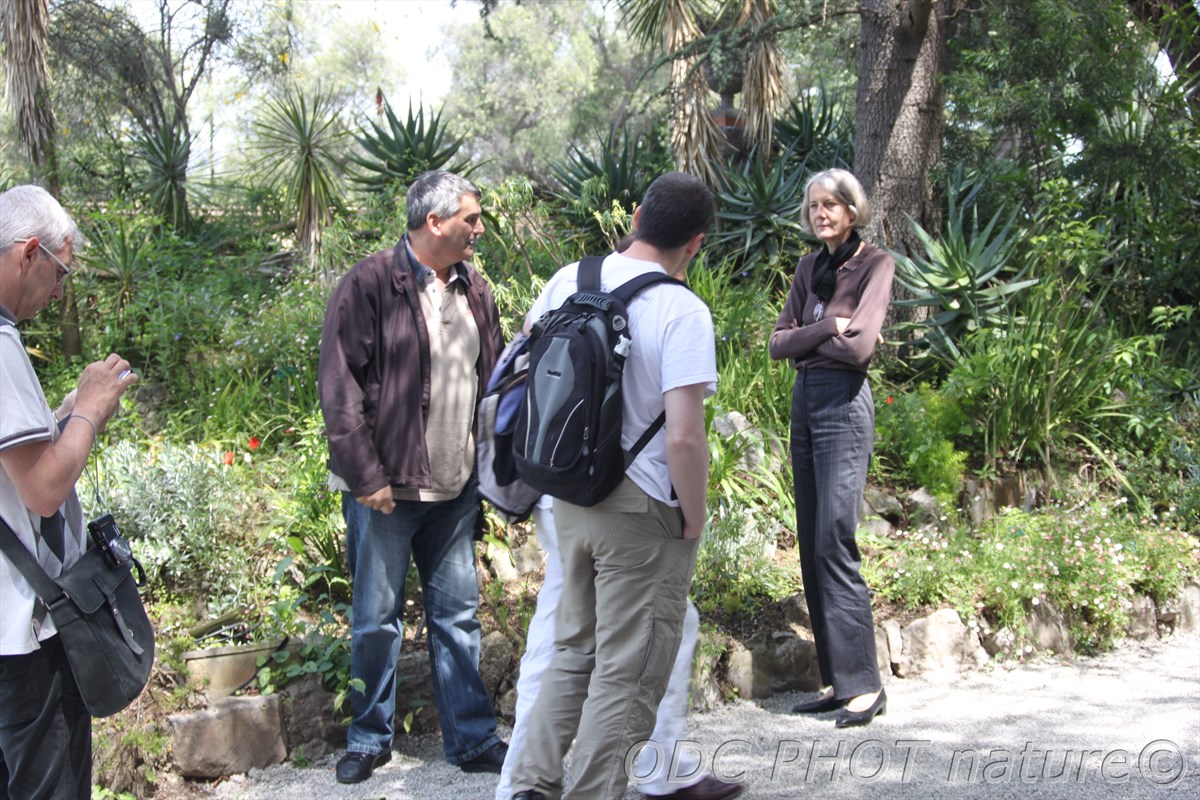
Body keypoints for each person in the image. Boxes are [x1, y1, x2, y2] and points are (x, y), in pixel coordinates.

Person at [496, 240, 741, 800]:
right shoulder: (682, 309)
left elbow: (530, 362)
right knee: (627, 674)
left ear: (636, 221)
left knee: (574, 650)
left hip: (570, 497)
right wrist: (694, 516)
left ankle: (531, 786)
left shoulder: (569, 277)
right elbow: (683, 435)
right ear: (697, 243)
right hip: (641, 506)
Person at [318, 170, 508, 784]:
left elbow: (496, 380)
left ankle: (472, 738)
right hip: (386, 493)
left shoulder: (475, 289)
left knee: (458, 618)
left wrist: (494, 471)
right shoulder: (371, 283)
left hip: (454, 491)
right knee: (376, 621)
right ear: (435, 222)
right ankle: (369, 740)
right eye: (470, 219)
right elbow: (339, 388)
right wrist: (364, 476)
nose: (479, 229)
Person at [0, 185, 138, 799]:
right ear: (29, 253)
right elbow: (42, 490)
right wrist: (89, 411)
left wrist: (62, 418)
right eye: (59, 273)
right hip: (21, 636)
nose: (60, 293)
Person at [768, 168, 895, 728]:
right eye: (813, 206)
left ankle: (864, 686)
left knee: (833, 539)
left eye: (830, 205)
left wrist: (812, 335)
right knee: (809, 538)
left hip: (844, 404)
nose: (820, 213)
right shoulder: (806, 267)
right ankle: (835, 680)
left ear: (852, 209)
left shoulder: (875, 264)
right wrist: (826, 329)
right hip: (806, 400)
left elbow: (862, 347)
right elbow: (778, 344)